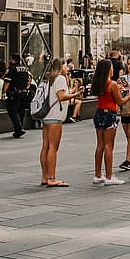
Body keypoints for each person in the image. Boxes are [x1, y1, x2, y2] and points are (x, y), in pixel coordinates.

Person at [89, 57, 130, 185]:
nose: (113, 70)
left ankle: (97, 174)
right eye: (112, 68)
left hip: (99, 113)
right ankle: (109, 176)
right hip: (109, 114)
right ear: (109, 70)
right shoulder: (112, 84)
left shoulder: (98, 82)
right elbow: (120, 102)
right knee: (109, 145)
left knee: (100, 145)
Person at [38, 57, 79, 187]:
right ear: (61, 67)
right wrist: (75, 95)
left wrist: (73, 91)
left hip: (46, 116)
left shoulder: (48, 78)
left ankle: (44, 176)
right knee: (53, 148)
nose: (67, 67)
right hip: (55, 116)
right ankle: (52, 177)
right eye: (65, 65)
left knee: (45, 146)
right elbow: (61, 96)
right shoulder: (60, 78)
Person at [2, 55, 32, 138]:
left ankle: (18, 128)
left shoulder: (11, 69)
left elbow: (7, 82)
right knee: (20, 111)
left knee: (12, 111)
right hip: (23, 93)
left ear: (13, 60)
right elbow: (29, 80)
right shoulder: (25, 68)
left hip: (14, 93)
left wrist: (3, 93)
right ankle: (18, 129)